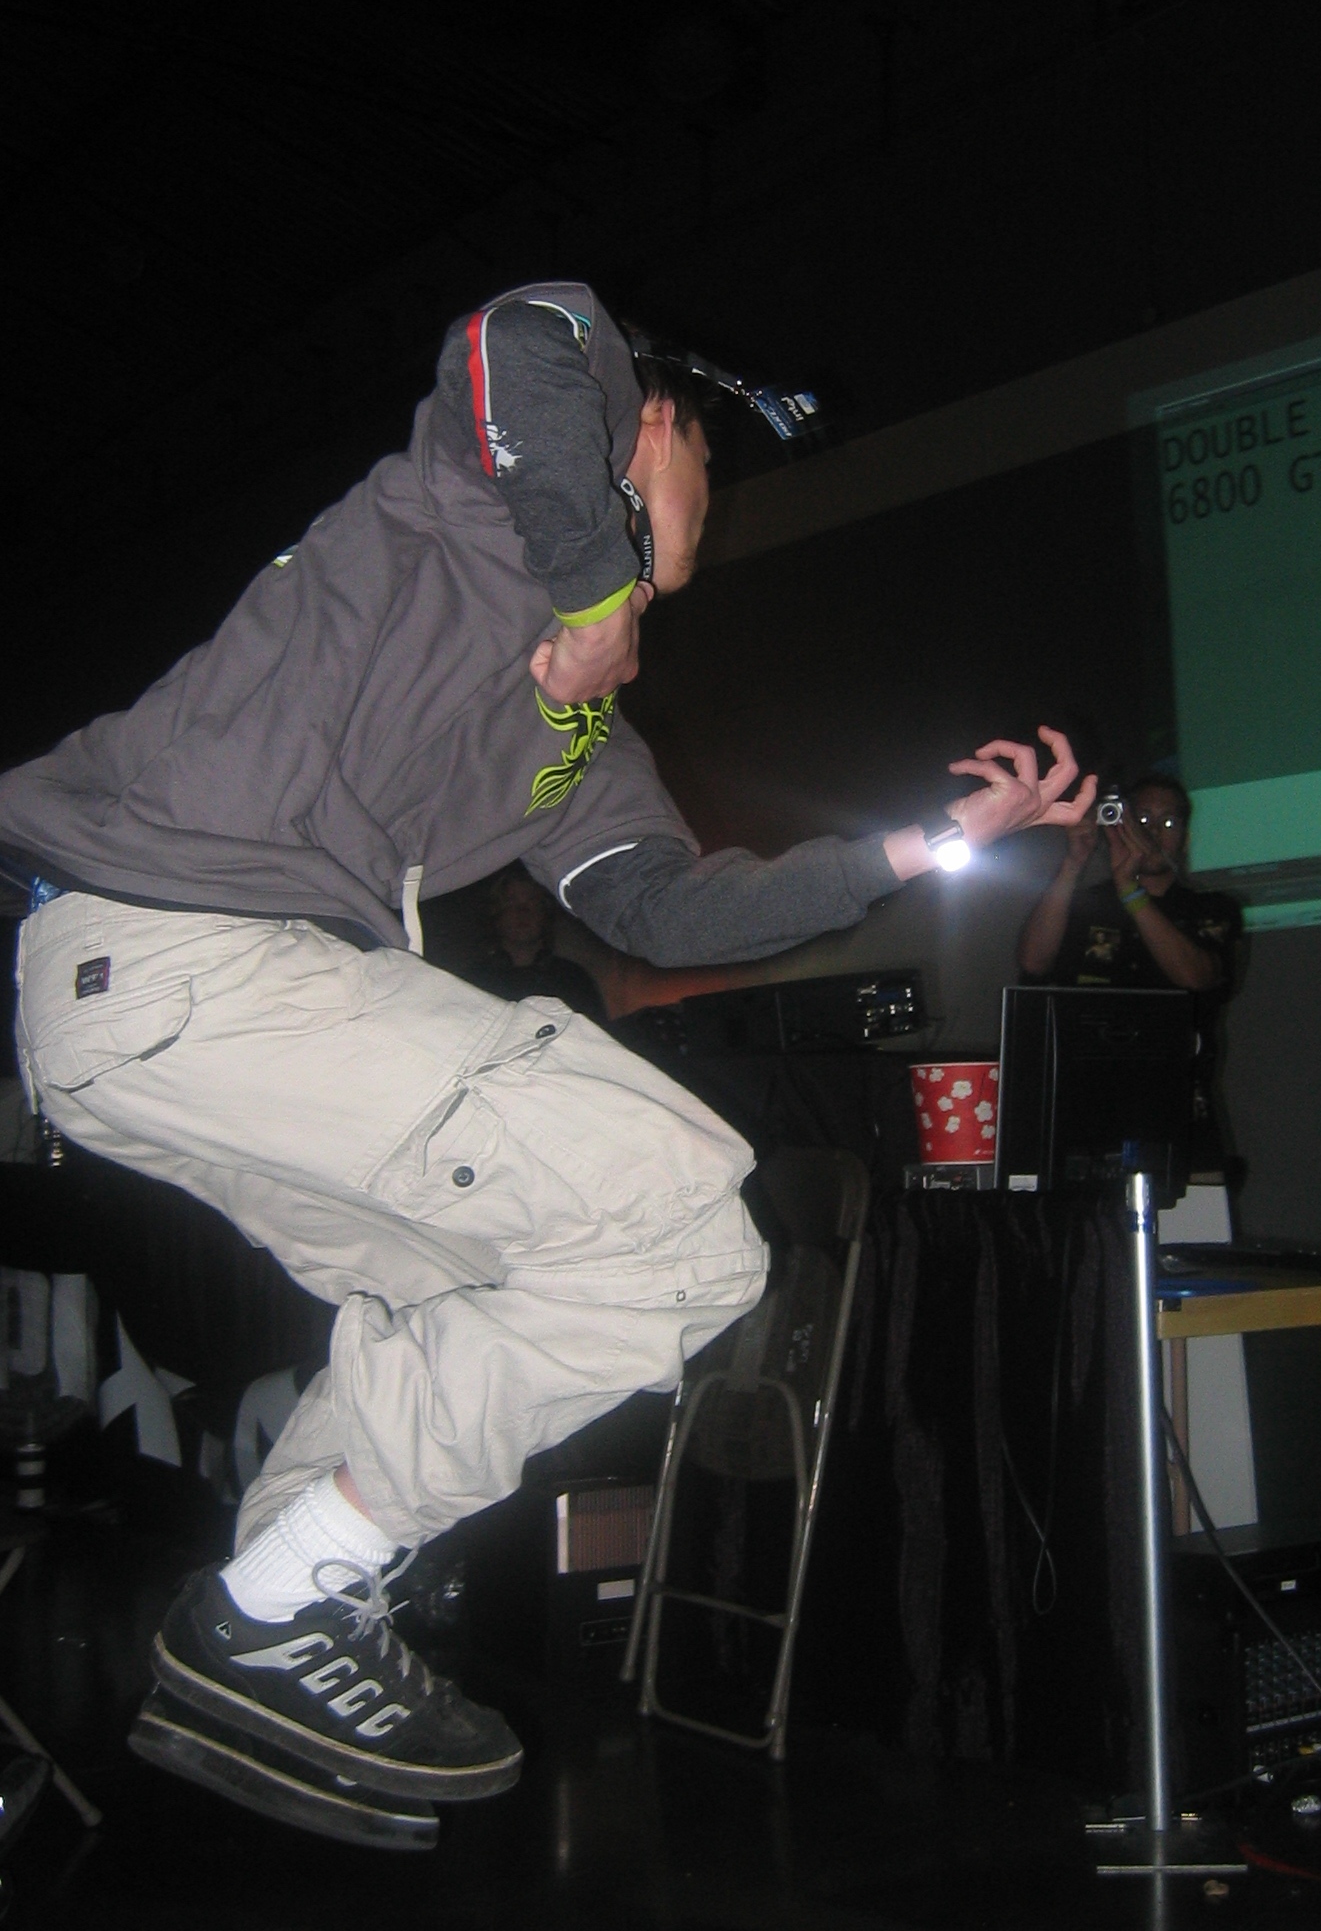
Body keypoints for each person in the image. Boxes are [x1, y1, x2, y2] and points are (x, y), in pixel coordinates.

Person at [0, 280, 1097, 1835]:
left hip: (153, 1021)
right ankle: (265, 1612)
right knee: (680, 1224)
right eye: (700, 472)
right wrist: (591, 595)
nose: (707, 520)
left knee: (455, 1289)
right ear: (650, 432)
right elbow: (524, 328)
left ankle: (289, 1606)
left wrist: (929, 843)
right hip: (194, 953)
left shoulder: (582, 743)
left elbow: (667, 905)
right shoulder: (468, 514)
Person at [1016, 769, 1242, 1171]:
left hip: (1177, 1114)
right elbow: (1033, 962)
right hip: (1084, 1113)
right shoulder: (1083, 905)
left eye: (1168, 823)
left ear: (1186, 839)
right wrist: (1073, 863)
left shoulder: (1211, 909)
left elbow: (1196, 977)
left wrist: (1131, 893)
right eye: (1142, 819)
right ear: (1117, 825)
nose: (1152, 833)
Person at [464, 863, 604, 1019]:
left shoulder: (572, 979)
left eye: (532, 902)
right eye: (511, 902)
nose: (522, 912)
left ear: (544, 912)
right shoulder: (474, 981)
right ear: (497, 912)